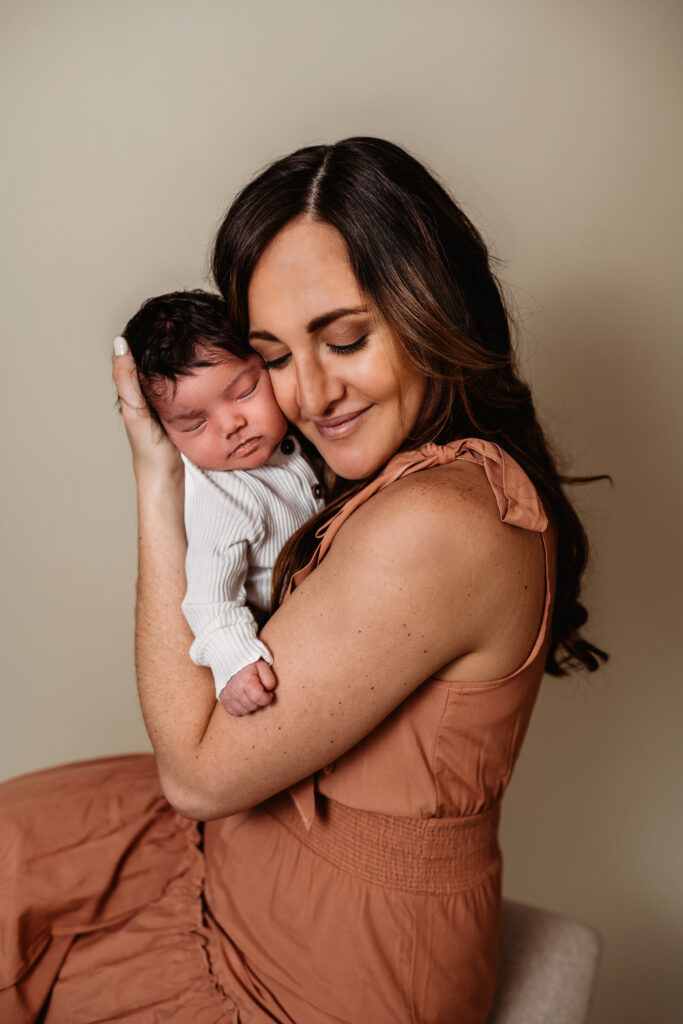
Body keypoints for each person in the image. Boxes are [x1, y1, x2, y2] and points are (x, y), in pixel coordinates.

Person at [0, 137, 606, 1024]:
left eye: (346, 338)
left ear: (431, 308)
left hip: (328, 963)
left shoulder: (434, 521)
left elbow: (200, 777)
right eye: (273, 357)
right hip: (250, 855)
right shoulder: (396, 472)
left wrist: (159, 480)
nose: (313, 396)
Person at [119, 289, 324, 715]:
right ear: (167, 434)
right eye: (195, 424)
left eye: (245, 391)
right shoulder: (220, 500)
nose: (232, 425)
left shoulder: (300, 434)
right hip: (281, 633)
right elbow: (209, 602)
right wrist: (236, 665)